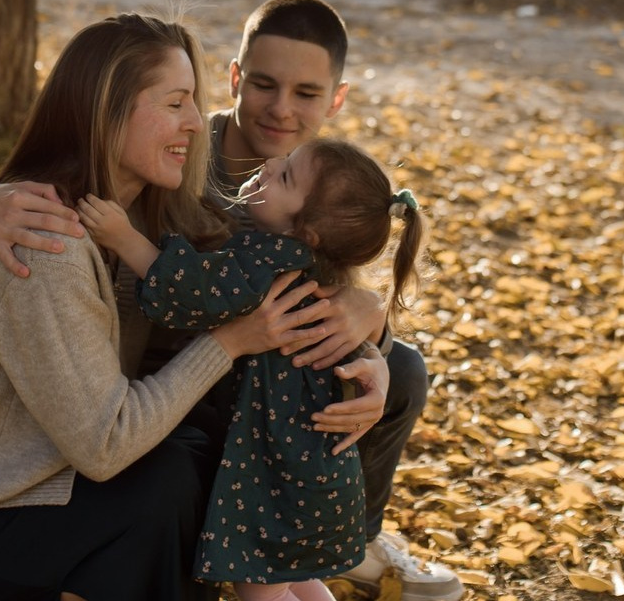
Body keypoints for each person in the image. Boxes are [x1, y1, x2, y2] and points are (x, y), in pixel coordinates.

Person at [0, 0, 459, 601]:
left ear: (334, 100)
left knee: (400, 369)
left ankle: (335, 542)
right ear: (235, 79)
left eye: (306, 94)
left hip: (225, 364)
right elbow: (30, 225)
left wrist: (366, 327)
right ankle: (260, 549)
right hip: (156, 369)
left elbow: (319, 278)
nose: (281, 109)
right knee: (189, 461)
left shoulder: (319, 179)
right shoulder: (176, 160)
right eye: (264, 84)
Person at [0, 13, 344, 601]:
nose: (195, 122)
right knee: (165, 484)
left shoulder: (141, 221)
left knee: (204, 450)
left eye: (193, 102)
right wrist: (231, 341)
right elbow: (106, 446)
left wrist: (364, 337)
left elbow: (264, 273)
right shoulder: (44, 239)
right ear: (106, 112)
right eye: (175, 103)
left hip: (30, 493)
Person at [77, 137, 427, 601]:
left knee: (261, 590)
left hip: (277, 473)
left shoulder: (267, 262)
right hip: (310, 467)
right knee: (293, 579)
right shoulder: (310, 267)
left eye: (286, 175)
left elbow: (196, 290)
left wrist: (124, 239)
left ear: (307, 232)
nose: (272, 163)